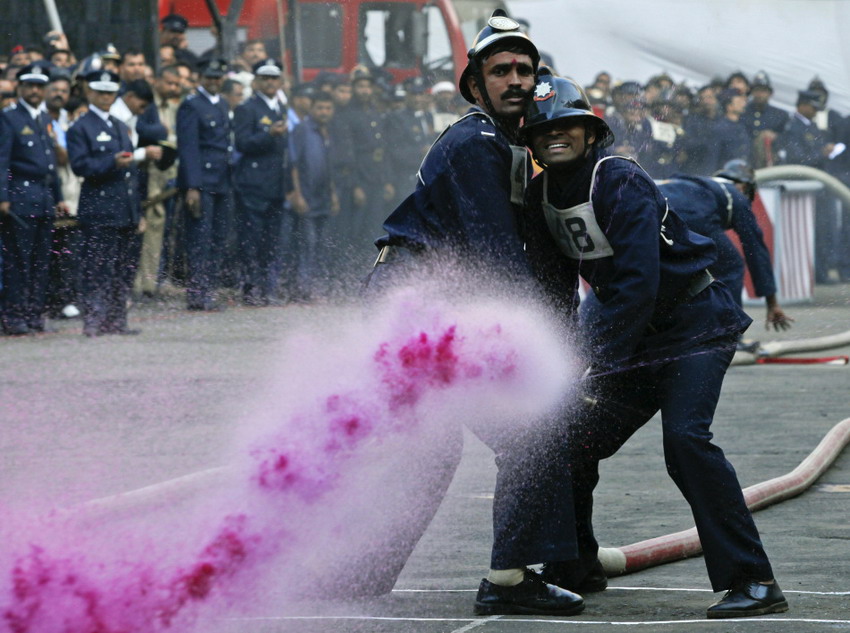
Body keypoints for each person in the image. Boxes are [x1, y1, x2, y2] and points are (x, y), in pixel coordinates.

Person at [520, 70, 787, 619]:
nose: (555, 135)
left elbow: (638, 284)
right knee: (571, 440)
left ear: (592, 132)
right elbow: (552, 285)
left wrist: (587, 356)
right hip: (634, 336)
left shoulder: (617, 178)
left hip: (692, 325)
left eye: (567, 125)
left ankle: (755, 580)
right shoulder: (543, 192)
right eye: (544, 128)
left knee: (686, 443)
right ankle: (576, 565)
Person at [370, 11, 584, 617]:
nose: (516, 79)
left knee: (429, 452)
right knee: (530, 429)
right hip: (416, 305)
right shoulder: (478, 143)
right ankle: (510, 580)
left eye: (525, 69)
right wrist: (541, 345)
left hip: (419, 307)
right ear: (475, 85)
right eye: (501, 70)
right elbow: (497, 258)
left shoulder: (507, 145)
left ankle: (360, 571)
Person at [657, 160, 793, 331]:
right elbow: (755, 248)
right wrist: (771, 303)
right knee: (731, 266)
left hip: (654, 215)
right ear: (743, 186)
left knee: (673, 271)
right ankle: (729, 334)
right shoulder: (735, 194)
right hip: (689, 218)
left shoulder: (697, 183)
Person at [67, 69, 141, 336]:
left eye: (110, 92)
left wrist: (137, 210)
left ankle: (117, 320)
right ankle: (95, 321)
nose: (106, 97)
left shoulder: (120, 126)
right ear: (90, 93)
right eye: (101, 92)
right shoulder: (80, 127)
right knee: (97, 268)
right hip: (99, 209)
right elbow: (80, 166)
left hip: (123, 207)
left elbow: (131, 172)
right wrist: (111, 162)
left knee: (122, 269)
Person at [0, 63, 65, 335]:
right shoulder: (9, 118)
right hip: (20, 198)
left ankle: (34, 315)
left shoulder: (46, 119)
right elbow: (2, 160)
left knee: (41, 262)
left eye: (39, 86)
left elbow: (51, 163)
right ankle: (14, 317)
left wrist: (59, 197)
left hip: (44, 198)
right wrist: (2, 196)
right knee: (18, 261)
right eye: (30, 86)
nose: (35, 91)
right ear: (20, 87)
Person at [176, 58, 233, 311]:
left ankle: (208, 290)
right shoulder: (191, 105)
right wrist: (192, 186)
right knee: (199, 239)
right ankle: (197, 294)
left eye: (218, 78)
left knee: (217, 239)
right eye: (210, 77)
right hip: (202, 181)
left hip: (221, 180)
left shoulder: (221, 103)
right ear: (201, 78)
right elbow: (189, 148)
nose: (214, 82)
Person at [232, 58, 290, 306]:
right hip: (253, 184)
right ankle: (250, 289)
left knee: (271, 241)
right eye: (265, 78)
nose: (270, 83)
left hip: (275, 184)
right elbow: (242, 143)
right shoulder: (248, 108)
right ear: (256, 82)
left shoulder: (282, 108)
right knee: (251, 240)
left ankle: (268, 288)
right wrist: (269, 134)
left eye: (274, 78)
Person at [288, 91, 338, 300]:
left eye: (327, 108)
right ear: (312, 109)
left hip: (324, 197)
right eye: (320, 108)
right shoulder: (302, 130)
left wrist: (334, 194)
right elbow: (293, 163)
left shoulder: (327, 131)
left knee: (322, 245)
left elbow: (330, 166)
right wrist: (297, 194)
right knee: (306, 244)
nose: (324, 112)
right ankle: (303, 289)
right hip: (306, 196)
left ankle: (318, 288)